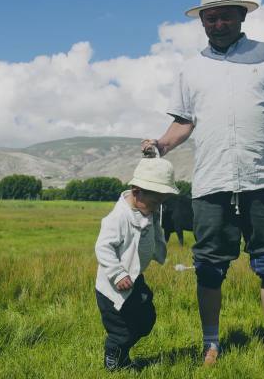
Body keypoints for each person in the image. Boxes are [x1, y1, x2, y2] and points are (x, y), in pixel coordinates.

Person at [142, 0, 264, 365]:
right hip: (212, 182)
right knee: (208, 267)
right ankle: (211, 345)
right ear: (202, 21)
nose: (218, 24)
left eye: (225, 17)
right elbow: (183, 122)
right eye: (211, 18)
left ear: (241, 16)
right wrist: (161, 144)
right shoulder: (191, 70)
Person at [94, 157, 179, 371]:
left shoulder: (146, 209)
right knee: (121, 328)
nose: (154, 209)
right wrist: (117, 274)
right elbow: (103, 247)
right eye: (153, 204)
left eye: (159, 204)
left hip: (134, 278)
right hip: (113, 286)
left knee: (146, 319)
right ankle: (114, 358)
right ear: (136, 190)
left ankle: (122, 354)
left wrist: (160, 252)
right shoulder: (118, 217)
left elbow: (154, 233)